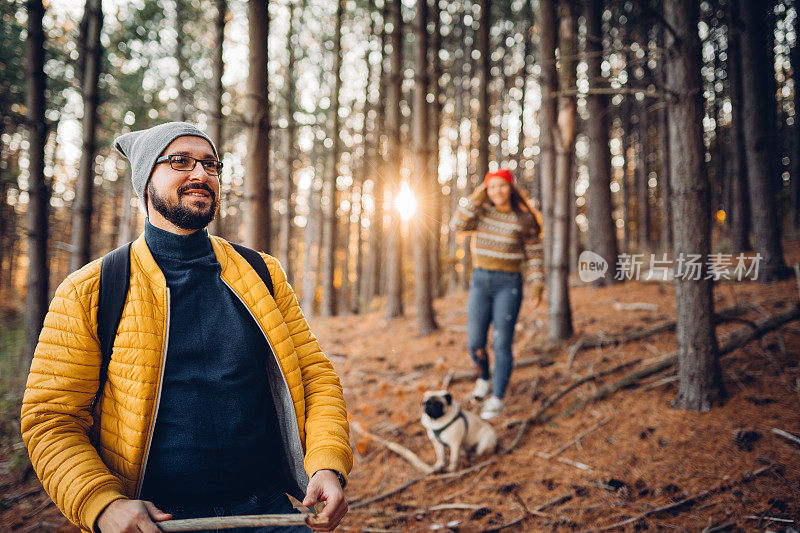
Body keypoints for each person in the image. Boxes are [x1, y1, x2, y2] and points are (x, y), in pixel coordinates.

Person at [20, 122, 352, 533]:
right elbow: (51, 418)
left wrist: (326, 464)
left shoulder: (261, 273)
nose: (201, 174)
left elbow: (315, 375)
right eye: (180, 161)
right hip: (157, 521)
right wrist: (101, 504)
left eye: (210, 164)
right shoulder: (90, 289)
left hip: (269, 509)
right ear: (145, 180)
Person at [450, 168, 544, 420]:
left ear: (510, 188)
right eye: (492, 187)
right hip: (480, 282)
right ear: (486, 191)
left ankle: (497, 397)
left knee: (502, 342)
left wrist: (536, 286)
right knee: (475, 342)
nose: (497, 191)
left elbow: (534, 256)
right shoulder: (481, 212)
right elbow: (457, 223)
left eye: (502, 186)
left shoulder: (523, 218)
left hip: (508, 284)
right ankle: (483, 378)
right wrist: (477, 197)